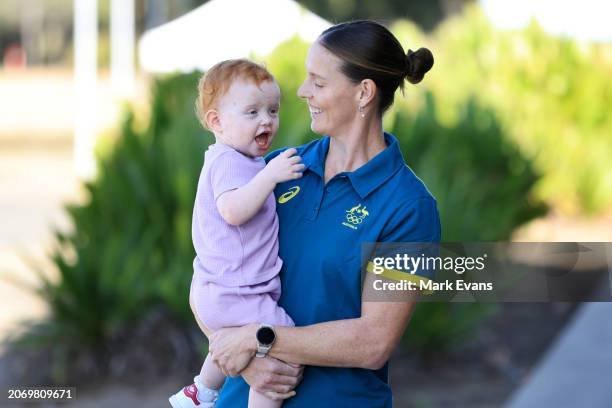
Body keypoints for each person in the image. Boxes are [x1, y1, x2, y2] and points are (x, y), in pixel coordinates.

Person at [207, 20, 441, 407]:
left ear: (364, 93)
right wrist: (244, 360)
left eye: (317, 82)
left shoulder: (409, 208)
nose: (301, 92)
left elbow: (373, 341)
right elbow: (214, 276)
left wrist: (258, 339)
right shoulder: (278, 169)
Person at [169, 59, 305, 408]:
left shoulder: (240, 160)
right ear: (216, 121)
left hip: (220, 291)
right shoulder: (229, 161)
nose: (266, 120)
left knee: (236, 339)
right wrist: (270, 177)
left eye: (272, 110)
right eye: (252, 112)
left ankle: (201, 391)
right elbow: (233, 210)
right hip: (237, 293)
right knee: (287, 344)